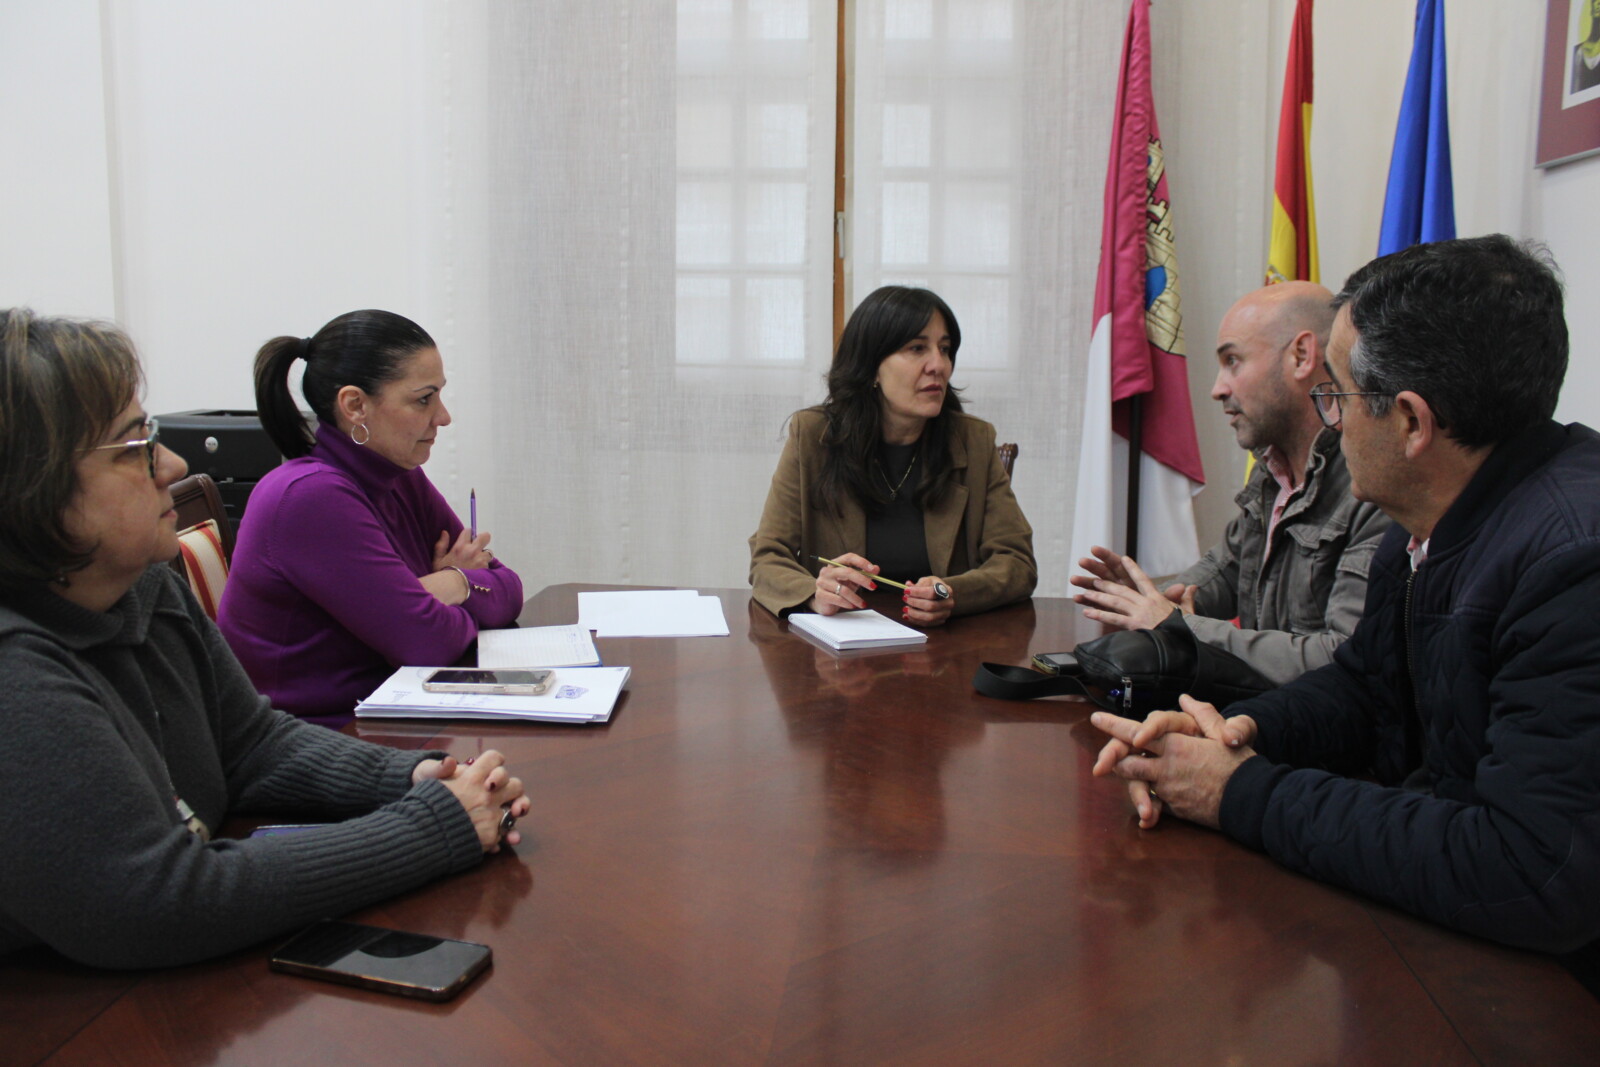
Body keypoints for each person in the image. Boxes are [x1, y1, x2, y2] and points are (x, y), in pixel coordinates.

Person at [1089, 236, 1600, 964]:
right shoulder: (1427, 519)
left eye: (1335, 395)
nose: (1329, 420)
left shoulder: (1574, 564)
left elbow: (1530, 869)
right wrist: (1230, 735)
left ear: (1412, 422)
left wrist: (1240, 792)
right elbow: (1366, 686)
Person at [0, 310, 530, 968]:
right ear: (34, 486)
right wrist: (437, 823)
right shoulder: (15, 676)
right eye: (136, 446)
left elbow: (250, 744)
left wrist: (418, 775)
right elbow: (160, 902)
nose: (172, 463)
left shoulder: (142, 586)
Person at [1073, 281, 1391, 686]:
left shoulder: (1372, 482)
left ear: (1301, 355)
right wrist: (1147, 598)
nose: (1217, 389)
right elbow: (1227, 569)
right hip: (1268, 710)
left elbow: (1343, 656)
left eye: (1233, 361)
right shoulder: (1273, 467)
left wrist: (1179, 626)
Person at [219, 310, 522, 726]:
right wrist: (449, 596)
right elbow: (428, 641)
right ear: (355, 405)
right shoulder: (310, 497)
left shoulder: (398, 474)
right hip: (318, 736)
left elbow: (509, 588)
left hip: (394, 707)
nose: (443, 416)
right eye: (424, 399)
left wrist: (450, 583)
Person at [749, 286, 1036, 626]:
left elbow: (1017, 563)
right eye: (917, 348)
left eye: (945, 349)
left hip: (947, 642)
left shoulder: (973, 440)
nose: (938, 365)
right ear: (871, 365)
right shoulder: (814, 436)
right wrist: (814, 592)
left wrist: (952, 593)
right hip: (844, 640)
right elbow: (768, 557)